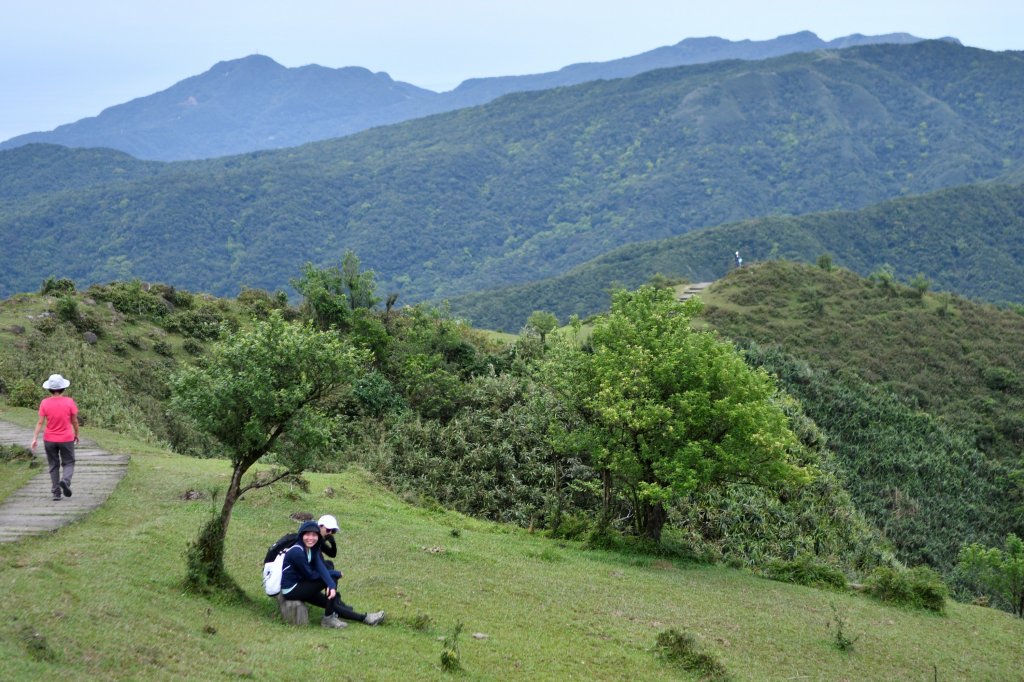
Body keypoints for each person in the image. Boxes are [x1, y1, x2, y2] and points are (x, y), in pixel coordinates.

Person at [280, 520, 384, 628]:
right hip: (291, 589)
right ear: (301, 535)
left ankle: (365, 618)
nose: (310, 538)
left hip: (302, 585)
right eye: (307, 534)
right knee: (332, 577)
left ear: (318, 536)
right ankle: (328, 619)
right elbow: (310, 575)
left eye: (314, 535)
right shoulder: (297, 551)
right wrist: (334, 575)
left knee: (330, 603)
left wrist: (331, 585)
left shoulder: (311, 549)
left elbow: (320, 568)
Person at [30, 374, 80, 502]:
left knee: (53, 465)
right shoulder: (69, 402)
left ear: (49, 389)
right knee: (68, 462)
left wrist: (35, 438)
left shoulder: (44, 403)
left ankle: (56, 493)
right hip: (66, 438)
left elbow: (40, 422)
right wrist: (77, 434)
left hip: (49, 439)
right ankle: (65, 481)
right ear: (63, 388)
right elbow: (74, 421)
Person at [264, 514, 343, 580]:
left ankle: (330, 595)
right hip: (285, 576)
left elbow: (332, 554)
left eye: (333, 531)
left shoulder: (318, 540)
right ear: (320, 527)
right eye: (329, 530)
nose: (330, 533)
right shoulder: (310, 541)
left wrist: (332, 542)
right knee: (328, 570)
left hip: (298, 571)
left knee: (329, 565)